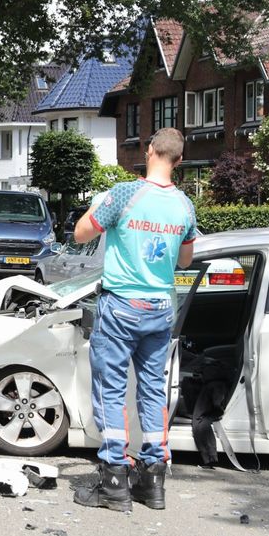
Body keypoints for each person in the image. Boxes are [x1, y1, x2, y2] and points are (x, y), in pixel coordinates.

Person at [71, 127, 196, 512]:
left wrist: (99, 206)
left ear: (149, 149)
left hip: (122, 304)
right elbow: (185, 261)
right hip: (160, 308)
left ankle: (114, 483)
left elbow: (80, 235)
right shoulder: (184, 206)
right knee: (153, 391)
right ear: (179, 160)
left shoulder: (123, 194)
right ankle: (153, 481)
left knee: (111, 390)